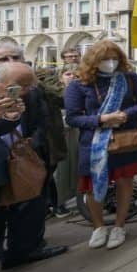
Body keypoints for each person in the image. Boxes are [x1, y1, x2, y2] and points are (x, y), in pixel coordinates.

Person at [65, 40, 137, 250]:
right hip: (94, 145)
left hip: (125, 141)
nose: (110, 63)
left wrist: (124, 115)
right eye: (105, 59)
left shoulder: (129, 78)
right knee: (93, 187)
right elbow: (73, 118)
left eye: (114, 58)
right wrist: (101, 119)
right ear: (93, 61)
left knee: (125, 183)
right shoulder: (79, 84)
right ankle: (99, 226)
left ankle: (119, 226)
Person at [0, 62, 68, 269]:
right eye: (19, 85)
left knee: (28, 208)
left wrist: (10, 118)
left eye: (28, 85)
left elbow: (0, 129)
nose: (24, 91)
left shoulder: (30, 96)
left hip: (15, 163)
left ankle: (21, 251)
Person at [52, 64, 80, 216]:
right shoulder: (56, 94)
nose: (72, 77)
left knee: (73, 167)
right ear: (61, 76)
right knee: (60, 172)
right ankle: (58, 203)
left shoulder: (79, 91)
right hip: (61, 135)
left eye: (75, 75)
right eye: (68, 74)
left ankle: (72, 198)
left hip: (75, 134)